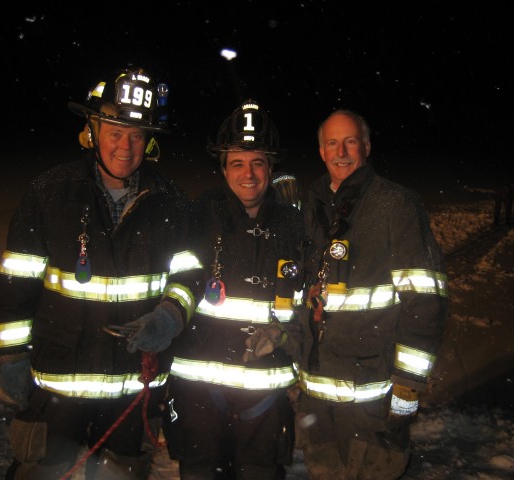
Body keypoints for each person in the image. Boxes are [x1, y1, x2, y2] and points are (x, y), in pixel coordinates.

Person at [0, 66, 201, 479]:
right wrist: (13, 355)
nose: (126, 146)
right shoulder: (49, 194)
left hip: (131, 388)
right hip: (56, 384)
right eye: (115, 132)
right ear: (92, 130)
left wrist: (171, 315)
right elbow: (16, 281)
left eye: (137, 135)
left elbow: (190, 275)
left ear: (150, 140)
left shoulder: (173, 203)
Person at [297, 110, 449, 479]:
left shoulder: (395, 204)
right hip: (318, 397)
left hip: (373, 396)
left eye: (350, 141)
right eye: (332, 143)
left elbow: (425, 298)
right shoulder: (310, 206)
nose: (342, 151)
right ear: (321, 151)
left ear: (366, 147)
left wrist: (408, 385)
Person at [158, 99, 304, 479]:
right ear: (222, 168)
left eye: (258, 162)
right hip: (199, 391)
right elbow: (181, 277)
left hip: (265, 393)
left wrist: (287, 333)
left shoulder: (295, 224)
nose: (248, 174)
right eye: (237, 162)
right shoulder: (200, 214)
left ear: (271, 167)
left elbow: (308, 299)